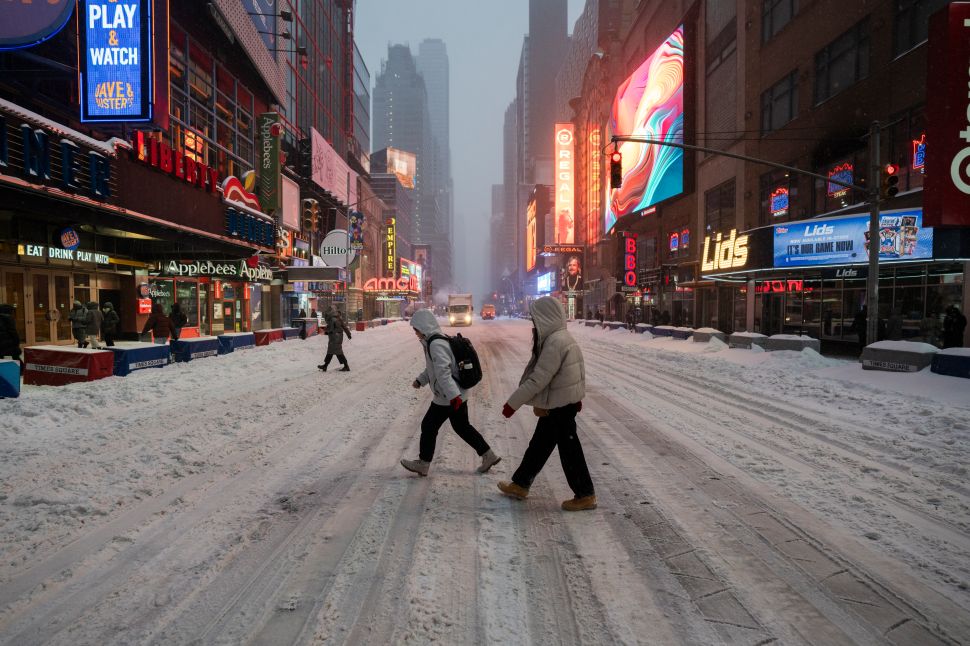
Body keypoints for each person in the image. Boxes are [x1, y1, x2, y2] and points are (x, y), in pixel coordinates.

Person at [497, 296, 594, 511]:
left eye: (536, 320)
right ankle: (521, 483)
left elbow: (539, 379)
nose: (534, 325)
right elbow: (575, 374)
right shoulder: (561, 338)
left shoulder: (555, 343)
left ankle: (585, 494)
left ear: (546, 318)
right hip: (561, 404)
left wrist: (513, 404)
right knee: (539, 446)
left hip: (560, 407)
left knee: (570, 450)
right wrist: (575, 400)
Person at [401, 309, 500, 477]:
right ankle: (488, 455)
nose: (415, 333)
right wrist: (421, 380)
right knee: (462, 427)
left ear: (423, 327)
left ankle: (424, 463)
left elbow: (443, 373)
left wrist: (454, 396)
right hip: (456, 394)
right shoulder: (435, 340)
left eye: (416, 329)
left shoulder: (435, 344)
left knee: (429, 426)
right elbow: (433, 368)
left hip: (448, 397)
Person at [0, 303, 22, 371]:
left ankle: (3, 371)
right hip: (8, 343)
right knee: (15, 355)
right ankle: (22, 370)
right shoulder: (8, 318)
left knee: (1, 357)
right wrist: (17, 342)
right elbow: (12, 331)